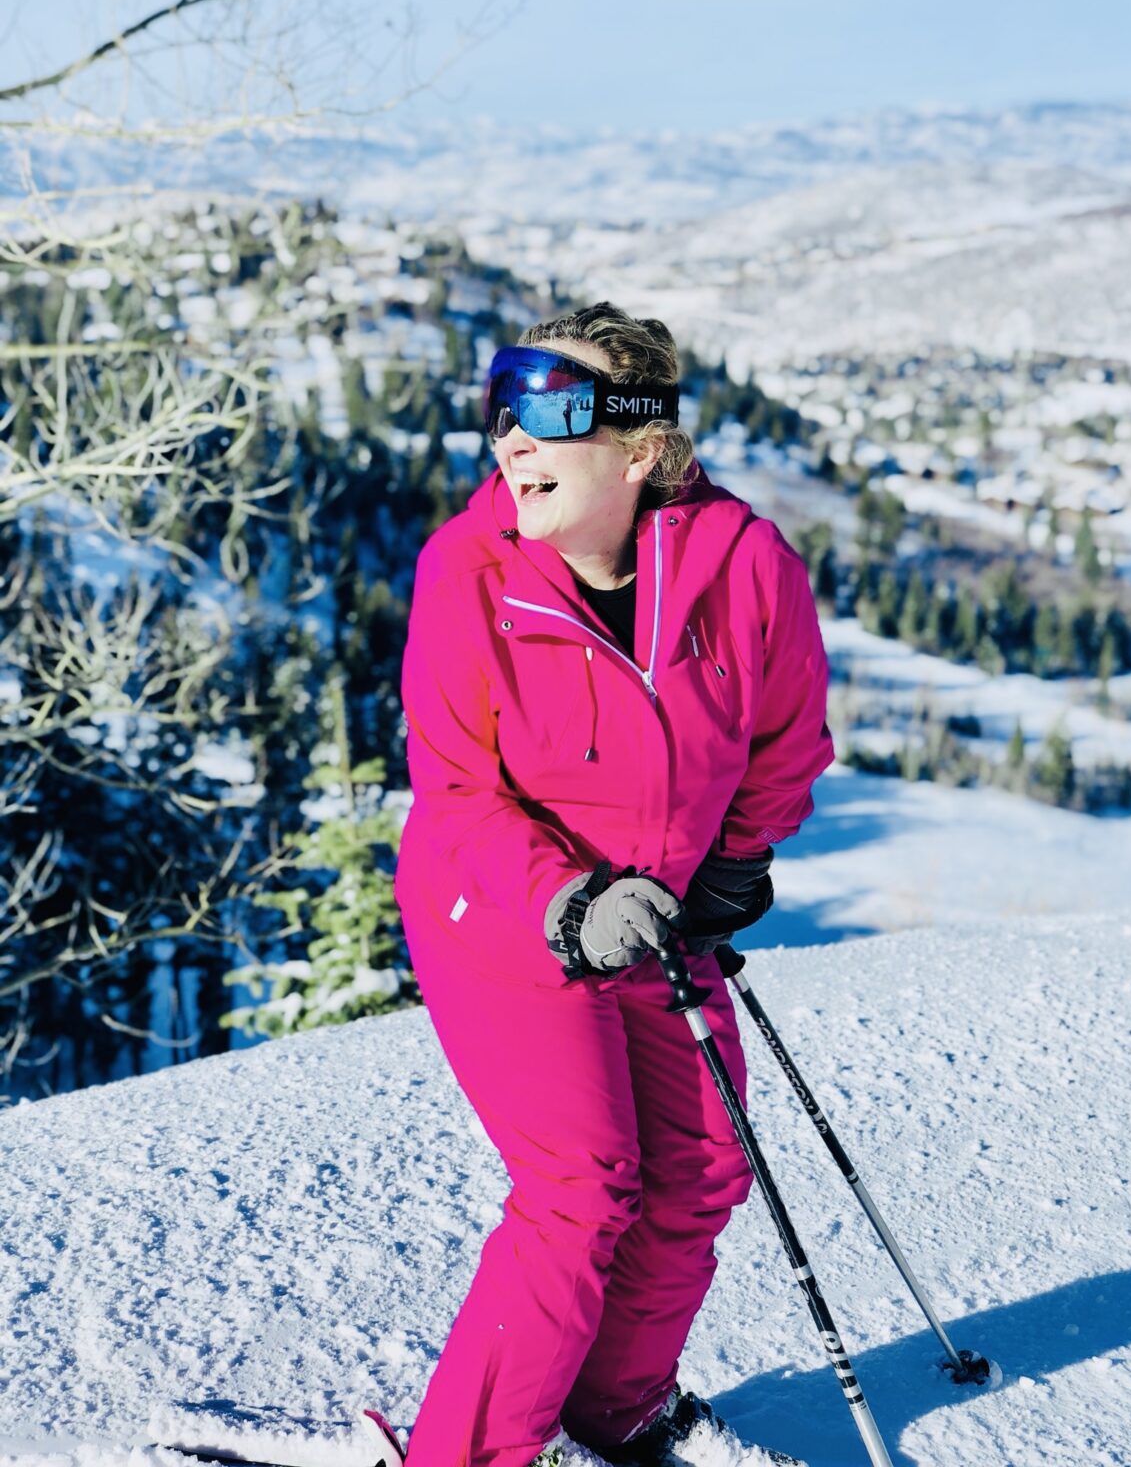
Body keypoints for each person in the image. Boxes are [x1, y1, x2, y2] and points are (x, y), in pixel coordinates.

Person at [395, 302, 834, 1467]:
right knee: (584, 1189)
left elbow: (786, 738)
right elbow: (455, 792)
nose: (512, 441)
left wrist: (737, 859)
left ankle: (614, 1412)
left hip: (660, 911)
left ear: (641, 449)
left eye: (549, 413)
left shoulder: (745, 566)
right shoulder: (469, 575)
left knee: (699, 1173)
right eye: (503, 412)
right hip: (498, 908)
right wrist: (566, 904)